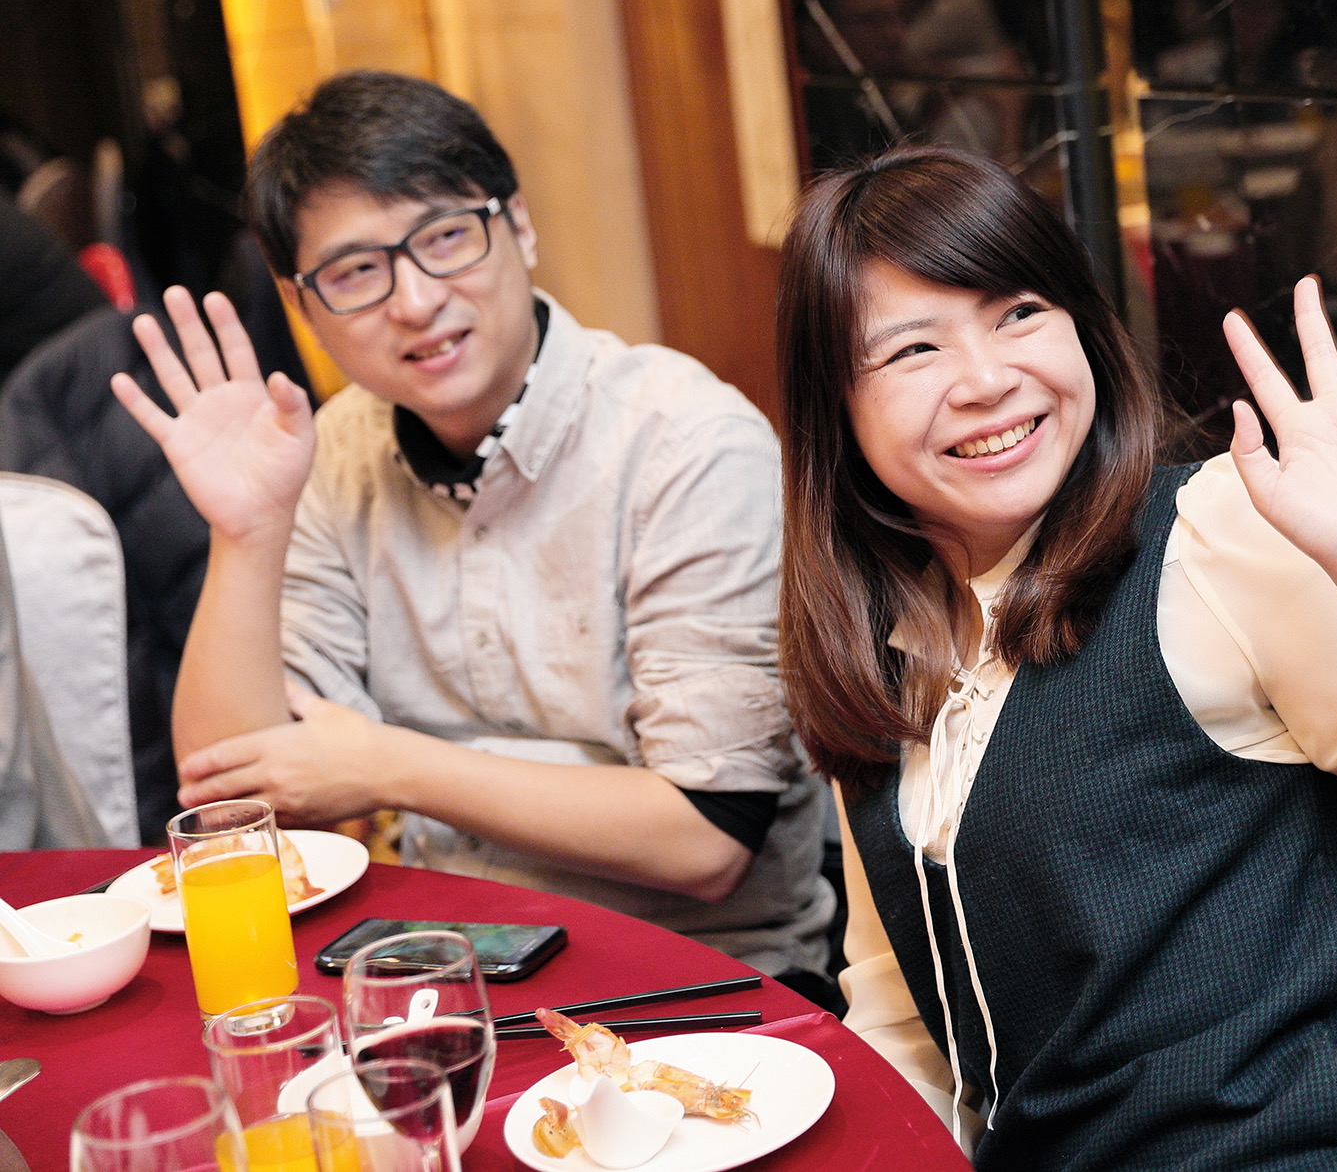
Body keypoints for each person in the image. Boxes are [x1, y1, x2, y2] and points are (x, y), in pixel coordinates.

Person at [777, 146, 1337, 1168]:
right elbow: (904, 1019)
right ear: (835, 408)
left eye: (1019, 312)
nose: (986, 381)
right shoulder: (885, 649)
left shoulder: (1215, 539)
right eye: (912, 350)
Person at [110, 71, 834, 986]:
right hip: (433, 970)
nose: (415, 300)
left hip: (699, 980)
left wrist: (386, 767)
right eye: (356, 271)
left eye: (446, 236)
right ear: (303, 308)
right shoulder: (332, 453)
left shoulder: (686, 443)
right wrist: (247, 532)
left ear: (519, 226)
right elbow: (233, 811)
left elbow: (708, 838)